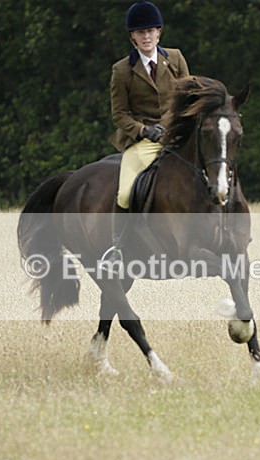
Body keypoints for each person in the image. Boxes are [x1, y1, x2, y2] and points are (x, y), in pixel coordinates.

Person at [104, 0, 190, 265]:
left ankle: (224, 229)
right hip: (143, 141)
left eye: (151, 31)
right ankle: (117, 247)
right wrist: (143, 130)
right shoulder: (122, 70)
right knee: (125, 192)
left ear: (159, 32)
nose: (146, 36)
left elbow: (188, 96)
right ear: (132, 36)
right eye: (141, 32)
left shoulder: (174, 58)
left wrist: (177, 124)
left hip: (176, 135)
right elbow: (119, 114)